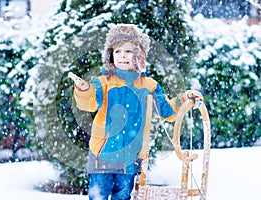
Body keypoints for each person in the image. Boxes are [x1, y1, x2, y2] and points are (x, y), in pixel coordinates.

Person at [68, 24, 203, 200]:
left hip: (130, 156)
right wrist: (84, 91)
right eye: (117, 52)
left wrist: (184, 99)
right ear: (110, 55)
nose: (122, 55)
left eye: (128, 51)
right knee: (98, 195)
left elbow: (168, 111)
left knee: (123, 195)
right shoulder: (102, 83)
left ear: (138, 55)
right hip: (102, 152)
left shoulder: (149, 85)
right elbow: (90, 104)